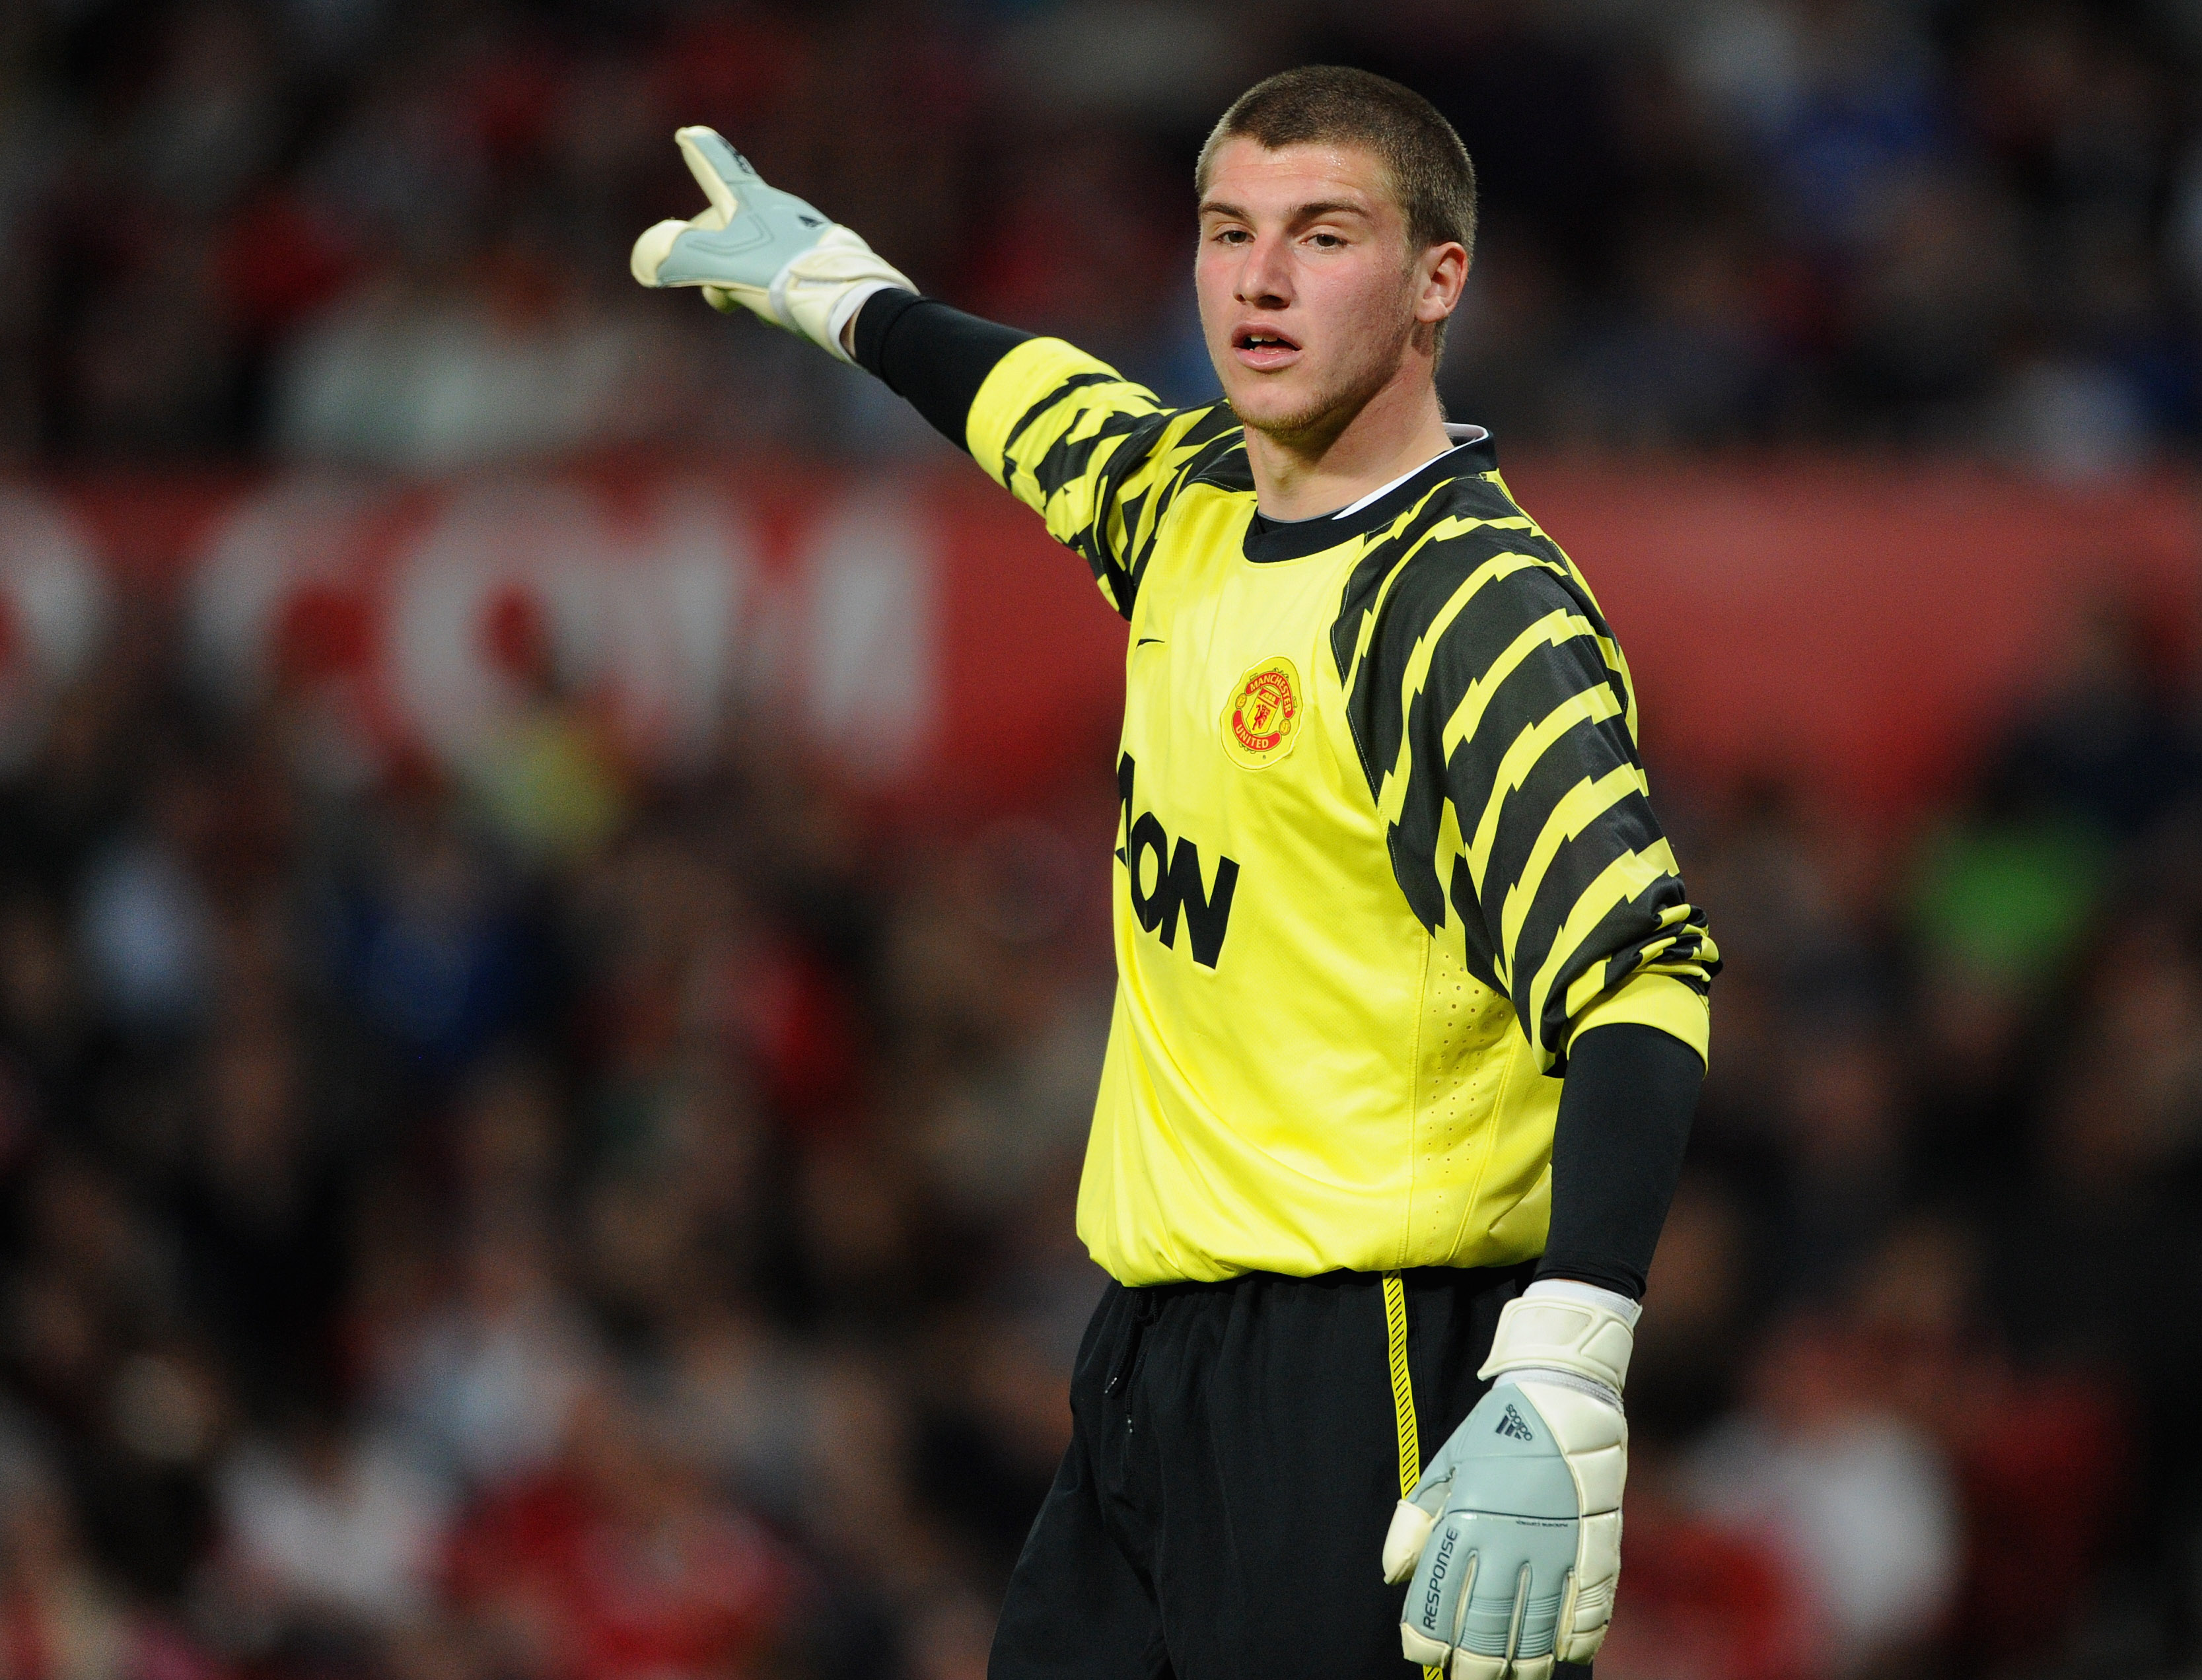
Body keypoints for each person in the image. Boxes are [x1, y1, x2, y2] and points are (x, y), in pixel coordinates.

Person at [633, 65, 1717, 1680]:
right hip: (1152, 1358)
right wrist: (839, 291)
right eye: (1226, 232)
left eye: (1321, 235)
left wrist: (1567, 1362)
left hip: (1376, 1371)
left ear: (1439, 279)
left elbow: (1635, 979)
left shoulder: (1472, 604)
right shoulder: (1187, 498)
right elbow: (1031, 406)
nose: (1258, 279)